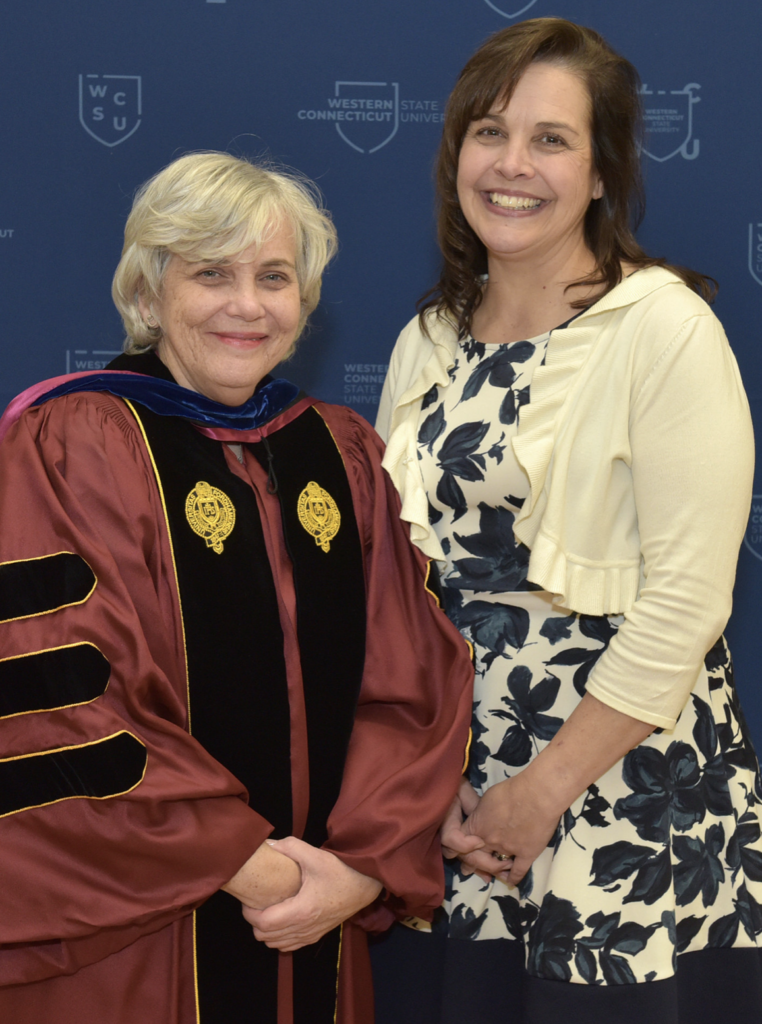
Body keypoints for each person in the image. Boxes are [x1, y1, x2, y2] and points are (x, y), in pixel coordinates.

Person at [0, 152, 473, 1024]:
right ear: (150, 296)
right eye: (211, 274)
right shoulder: (71, 445)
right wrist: (257, 869)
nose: (247, 305)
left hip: (316, 915)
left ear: (305, 305)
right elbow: (58, 697)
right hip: (141, 929)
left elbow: (408, 684)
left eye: (274, 277)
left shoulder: (340, 454)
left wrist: (360, 866)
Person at [372, 17, 762, 1024]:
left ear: (601, 174)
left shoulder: (662, 327)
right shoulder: (428, 340)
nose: (512, 165)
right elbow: (396, 583)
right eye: (488, 131)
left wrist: (543, 788)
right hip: (457, 798)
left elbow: (687, 599)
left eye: (552, 140)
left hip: (615, 789)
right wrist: (422, 778)